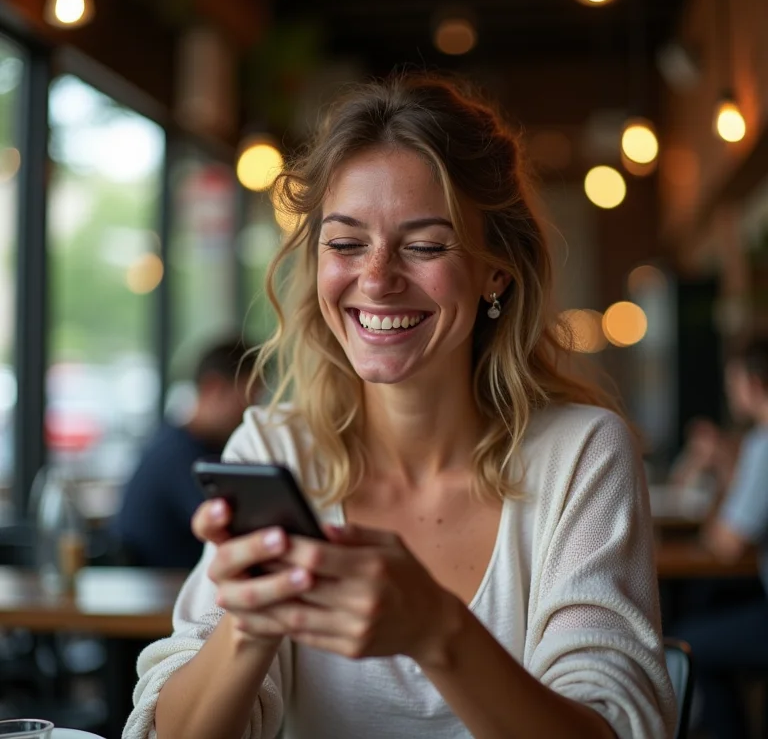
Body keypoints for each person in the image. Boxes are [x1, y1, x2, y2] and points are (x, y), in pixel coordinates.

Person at [123, 75, 675, 739]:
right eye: (347, 242)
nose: (377, 278)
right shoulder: (274, 452)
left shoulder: (581, 456)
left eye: (425, 245)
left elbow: (615, 727)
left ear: (496, 268)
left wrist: (436, 630)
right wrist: (249, 622)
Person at [673, 338, 768, 739]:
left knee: (686, 644)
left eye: (733, 384)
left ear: (753, 384)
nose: (730, 393)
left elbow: (727, 542)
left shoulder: (763, 444)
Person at [112, 338, 257, 570]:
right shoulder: (181, 456)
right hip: (161, 595)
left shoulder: (183, 444)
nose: (252, 412)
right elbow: (234, 526)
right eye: (248, 396)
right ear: (214, 387)